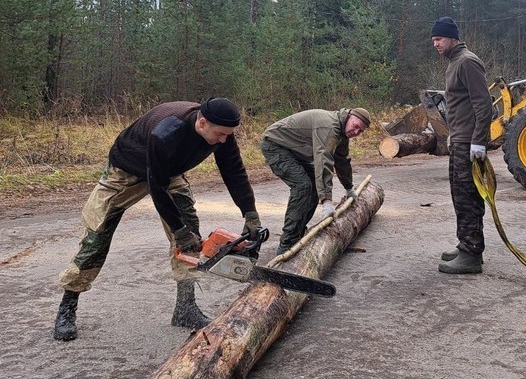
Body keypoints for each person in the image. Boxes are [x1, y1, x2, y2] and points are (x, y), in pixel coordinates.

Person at [53, 98, 262, 341]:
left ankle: (185, 308)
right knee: (96, 237)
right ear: (202, 123)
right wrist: (178, 229)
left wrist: (250, 213)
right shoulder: (166, 132)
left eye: (228, 135)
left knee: (190, 236)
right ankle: (67, 306)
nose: (224, 140)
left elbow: (234, 170)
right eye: (220, 135)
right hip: (126, 170)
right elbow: (157, 187)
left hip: (168, 172)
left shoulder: (221, 131)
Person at [261, 108, 371, 255]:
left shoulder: (342, 131)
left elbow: (341, 160)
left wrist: (349, 188)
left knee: (313, 185)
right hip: (275, 146)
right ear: (349, 117)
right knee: (303, 187)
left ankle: (298, 233)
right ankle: (287, 244)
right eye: (356, 126)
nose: (356, 132)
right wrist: (326, 201)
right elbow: (323, 160)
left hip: (294, 150)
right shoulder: (329, 127)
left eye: (361, 131)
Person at [431, 16, 493, 274]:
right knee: (459, 194)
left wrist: (478, 141)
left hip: (469, 142)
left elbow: (483, 104)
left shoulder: (467, 62)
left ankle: (472, 254)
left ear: (453, 38)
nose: (436, 43)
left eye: (440, 38)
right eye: (433, 40)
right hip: (459, 140)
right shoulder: (454, 62)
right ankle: (465, 244)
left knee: (468, 195)